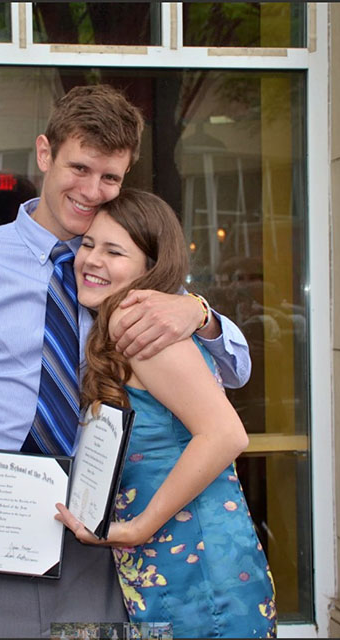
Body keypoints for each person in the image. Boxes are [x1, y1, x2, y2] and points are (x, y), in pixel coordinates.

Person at [0, 84, 252, 638]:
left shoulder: (125, 273)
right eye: (80, 168)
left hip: (93, 548)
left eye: (111, 178)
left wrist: (200, 313)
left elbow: (233, 372)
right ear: (45, 154)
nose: (93, 191)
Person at [56, 190, 277, 638]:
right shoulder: (124, 322)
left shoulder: (138, 326)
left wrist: (137, 528)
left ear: (150, 268)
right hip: (166, 562)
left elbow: (226, 435)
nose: (92, 260)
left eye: (114, 251)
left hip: (197, 570)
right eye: (89, 244)